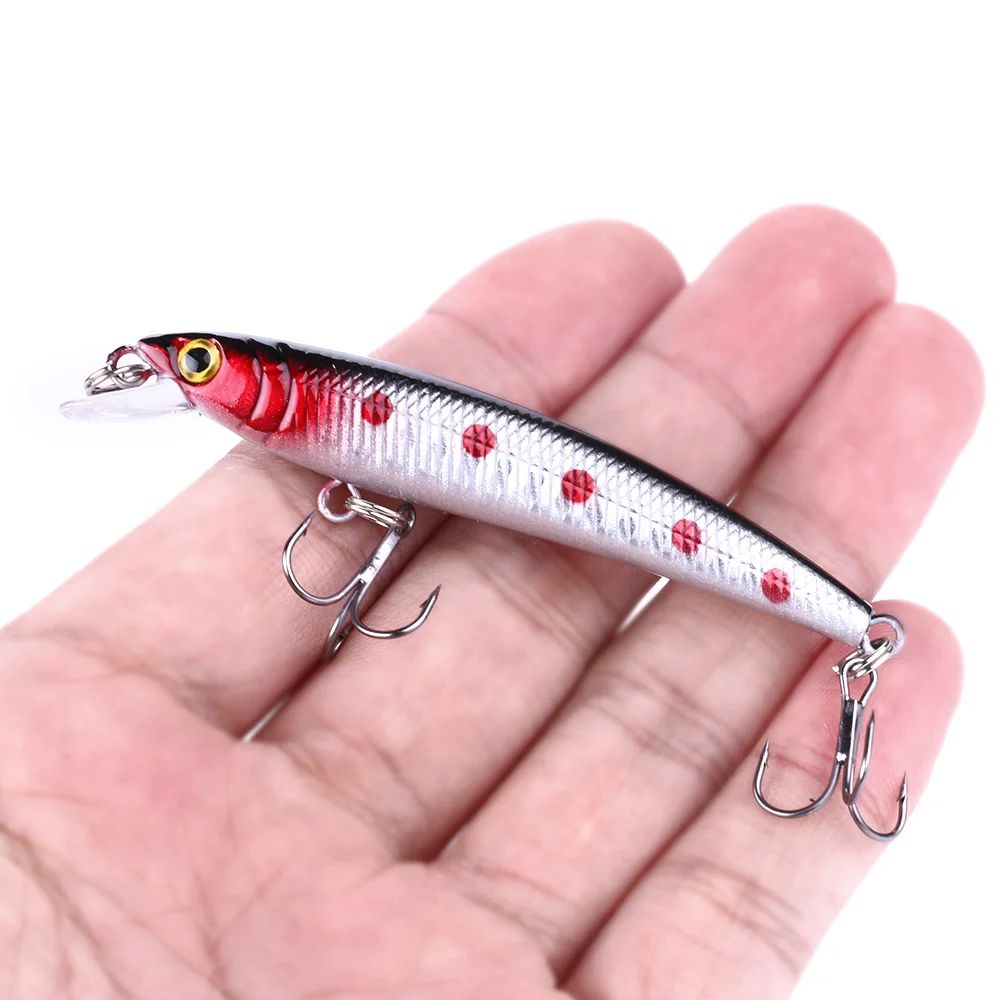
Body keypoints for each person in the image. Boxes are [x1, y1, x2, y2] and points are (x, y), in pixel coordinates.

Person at [0, 208, 983, 998]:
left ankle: (847, 626)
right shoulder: (309, 423)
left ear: (268, 380)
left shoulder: (321, 409)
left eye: (202, 366)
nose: (193, 380)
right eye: (194, 369)